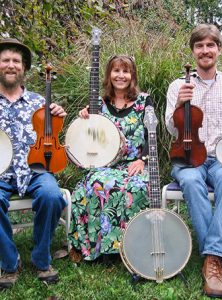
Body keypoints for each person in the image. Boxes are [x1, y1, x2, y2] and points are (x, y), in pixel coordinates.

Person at [165, 24, 222, 298]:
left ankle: (212, 261)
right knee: (189, 180)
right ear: (193, 51)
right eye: (199, 46)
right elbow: (170, 128)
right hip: (189, 156)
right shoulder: (179, 85)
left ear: (219, 50)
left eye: (210, 45)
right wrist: (179, 105)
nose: (205, 50)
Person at [68, 55, 152, 262]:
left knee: (139, 187)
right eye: (116, 71)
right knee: (98, 183)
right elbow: (89, 135)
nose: (121, 75)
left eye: (126, 71)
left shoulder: (144, 101)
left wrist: (143, 159)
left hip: (135, 163)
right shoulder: (99, 103)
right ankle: (101, 248)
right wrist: (84, 119)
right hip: (105, 165)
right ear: (109, 75)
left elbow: (153, 134)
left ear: (132, 75)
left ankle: (133, 247)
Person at [0, 38, 67, 289]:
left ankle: (41, 258)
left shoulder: (40, 102)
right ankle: (9, 262)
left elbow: (51, 135)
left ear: (24, 68)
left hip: (35, 169)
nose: (10, 65)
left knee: (51, 195)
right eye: (5, 60)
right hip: (1, 173)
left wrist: (58, 115)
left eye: (16, 61)